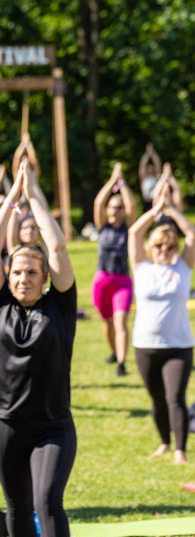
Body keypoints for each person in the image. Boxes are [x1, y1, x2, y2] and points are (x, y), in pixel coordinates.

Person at [0, 159, 77, 537]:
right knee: (17, 506)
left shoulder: (60, 306)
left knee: (47, 500)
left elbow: (55, 245)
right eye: (17, 272)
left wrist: (32, 194)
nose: (23, 278)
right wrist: (8, 202)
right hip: (6, 425)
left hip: (53, 425)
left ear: (45, 277)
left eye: (32, 273)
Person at [128, 163, 195, 465]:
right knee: (156, 399)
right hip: (146, 344)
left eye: (169, 245)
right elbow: (133, 231)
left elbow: (192, 233)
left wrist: (172, 210)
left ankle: (180, 450)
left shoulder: (183, 268)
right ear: (151, 247)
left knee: (175, 398)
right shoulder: (142, 267)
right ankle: (165, 443)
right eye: (159, 244)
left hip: (179, 345)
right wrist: (155, 211)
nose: (164, 249)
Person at [91, 162, 136, 376]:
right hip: (102, 280)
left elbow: (133, 206)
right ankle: (113, 352)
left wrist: (123, 183)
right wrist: (112, 180)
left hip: (122, 281)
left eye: (120, 207)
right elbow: (99, 201)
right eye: (113, 206)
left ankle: (121, 363)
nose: (116, 210)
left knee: (120, 322)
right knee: (107, 323)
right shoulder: (103, 226)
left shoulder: (129, 229)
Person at [138, 143, 162, 212]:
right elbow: (142, 165)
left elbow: (157, 163)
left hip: (156, 202)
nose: (150, 169)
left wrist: (152, 153)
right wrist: (147, 153)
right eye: (148, 167)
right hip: (146, 204)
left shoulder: (156, 177)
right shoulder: (144, 179)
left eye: (152, 167)